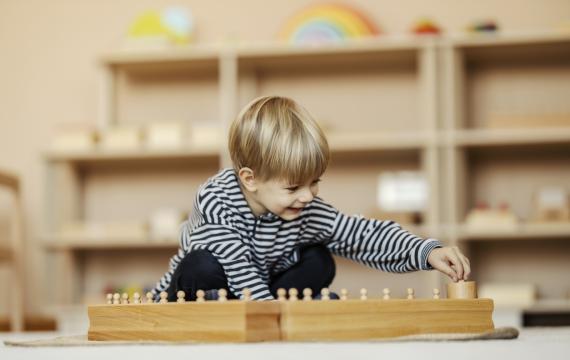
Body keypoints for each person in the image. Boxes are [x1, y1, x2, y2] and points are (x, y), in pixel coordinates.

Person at [152, 95, 470, 301]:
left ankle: (285, 308)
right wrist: (269, 315)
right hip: (202, 291)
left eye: (315, 183)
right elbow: (236, 266)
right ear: (250, 179)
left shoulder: (304, 208)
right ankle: (270, 313)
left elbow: (363, 235)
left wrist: (427, 252)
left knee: (318, 259)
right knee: (202, 265)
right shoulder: (216, 200)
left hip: (258, 294)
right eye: (293, 188)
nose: (307, 196)